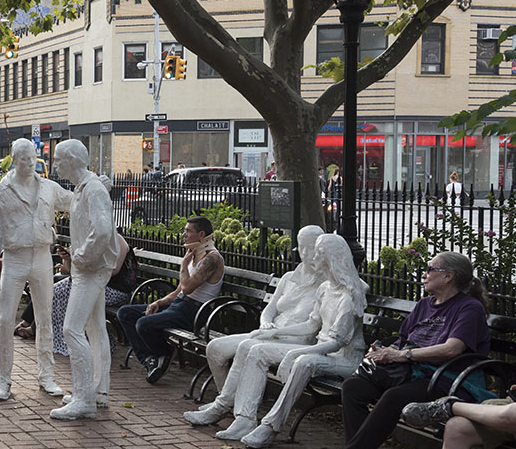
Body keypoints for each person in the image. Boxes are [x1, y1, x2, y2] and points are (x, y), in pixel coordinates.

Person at [308, 251, 491, 449]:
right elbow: (403, 340)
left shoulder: (469, 308)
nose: (424, 274)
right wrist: (384, 351)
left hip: (448, 379)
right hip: (410, 372)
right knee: (354, 386)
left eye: (430, 269)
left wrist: (402, 355)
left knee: (394, 397)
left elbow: (452, 349)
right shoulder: (425, 304)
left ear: (448, 276)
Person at [211, 233, 368, 447]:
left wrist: (296, 353)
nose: (315, 258)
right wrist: (271, 333)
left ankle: (271, 426)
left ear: (332, 258)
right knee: (257, 349)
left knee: (304, 362)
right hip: (321, 351)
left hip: (343, 359)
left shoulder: (351, 295)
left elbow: (337, 342)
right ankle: (245, 419)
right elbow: (312, 325)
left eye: (320, 253)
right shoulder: (325, 289)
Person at [185, 225, 324, 422]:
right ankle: (229, 401)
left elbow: (313, 326)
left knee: (249, 347)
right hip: (269, 333)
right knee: (215, 347)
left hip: (295, 341)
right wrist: (266, 323)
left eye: (312, 247)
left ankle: (223, 406)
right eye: (303, 247)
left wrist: (273, 333)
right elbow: (270, 309)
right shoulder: (289, 278)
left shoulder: (325, 284)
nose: (307, 253)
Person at [0, 138, 73, 401]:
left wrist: (95, 187)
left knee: (45, 319)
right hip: (14, 259)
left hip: (42, 258)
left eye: (32, 157)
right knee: (4, 320)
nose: (28, 162)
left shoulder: (48, 187)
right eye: (23, 158)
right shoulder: (2, 191)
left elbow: (74, 201)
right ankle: (3, 379)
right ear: (13, 158)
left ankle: (47, 376)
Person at [48, 139, 117, 419]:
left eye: (58, 159)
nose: (54, 164)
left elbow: (102, 231)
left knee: (72, 329)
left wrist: (81, 256)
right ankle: (97, 390)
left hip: (90, 269)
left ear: (73, 160)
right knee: (95, 328)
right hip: (88, 268)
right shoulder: (84, 188)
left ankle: (84, 398)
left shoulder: (92, 190)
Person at [116, 216, 223, 384]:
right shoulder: (195, 254)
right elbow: (179, 291)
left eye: (188, 231)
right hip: (180, 305)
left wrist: (184, 264)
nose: (183, 234)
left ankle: (164, 352)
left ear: (201, 234)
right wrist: (158, 302)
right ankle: (150, 360)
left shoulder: (212, 258)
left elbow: (187, 288)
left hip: (194, 311)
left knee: (143, 324)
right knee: (126, 313)